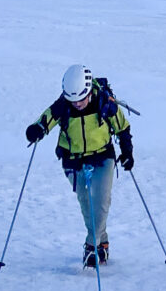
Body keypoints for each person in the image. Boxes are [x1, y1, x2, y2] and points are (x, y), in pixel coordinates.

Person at [25, 64, 134, 267]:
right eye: (73, 100)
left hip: (103, 157)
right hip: (73, 160)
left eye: (81, 99)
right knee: (87, 204)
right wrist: (36, 130)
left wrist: (127, 152)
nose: (77, 104)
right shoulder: (63, 105)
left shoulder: (104, 101)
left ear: (88, 91)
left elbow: (122, 127)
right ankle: (102, 243)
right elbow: (45, 121)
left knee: (101, 203)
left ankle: (91, 246)